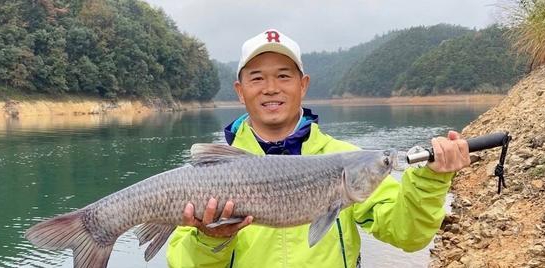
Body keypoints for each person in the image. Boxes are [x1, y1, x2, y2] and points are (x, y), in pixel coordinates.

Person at [166, 29, 470, 267]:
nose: (271, 87)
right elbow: (182, 263)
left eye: (284, 76)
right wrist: (210, 239)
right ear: (240, 91)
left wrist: (431, 180)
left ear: (303, 85)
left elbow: (408, 235)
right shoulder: (212, 174)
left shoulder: (347, 161)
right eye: (257, 78)